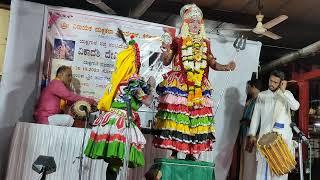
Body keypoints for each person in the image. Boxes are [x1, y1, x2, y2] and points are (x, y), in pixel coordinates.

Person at [152, 3, 236, 160]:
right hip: (179, 84)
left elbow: (212, 63)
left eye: (198, 22)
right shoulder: (178, 41)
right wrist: (165, 48)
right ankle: (175, 152)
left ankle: (192, 153)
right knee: (178, 117)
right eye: (192, 22)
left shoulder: (206, 43)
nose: (195, 24)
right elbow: (166, 61)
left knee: (196, 118)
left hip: (199, 86)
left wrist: (226, 67)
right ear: (186, 24)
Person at [84, 36, 155, 180]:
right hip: (122, 120)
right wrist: (152, 88)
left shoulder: (117, 80)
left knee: (113, 159)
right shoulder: (133, 80)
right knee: (116, 158)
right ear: (134, 61)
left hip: (110, 118)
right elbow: (146, 101)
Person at [247, 70, 300, 180]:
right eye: (271, 81)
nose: (272, 84)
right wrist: (252, 134)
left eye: (276, 82)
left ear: (281, 83)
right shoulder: (262, 95)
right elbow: (256, 116)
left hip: (282, 140)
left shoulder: (286, 94)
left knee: (280, 173)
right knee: (262, 173)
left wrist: (284, 91)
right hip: (264, 139)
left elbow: (295, 106)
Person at [239, 79, 262, 180]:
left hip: (253, 137)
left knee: (250, 164)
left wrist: (246, 122)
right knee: (245, 162)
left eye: (248, 87)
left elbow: (260, 121)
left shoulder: (261, 100)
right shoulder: (251, 101)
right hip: (246, 135)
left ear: (253, 87)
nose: (247, 90)